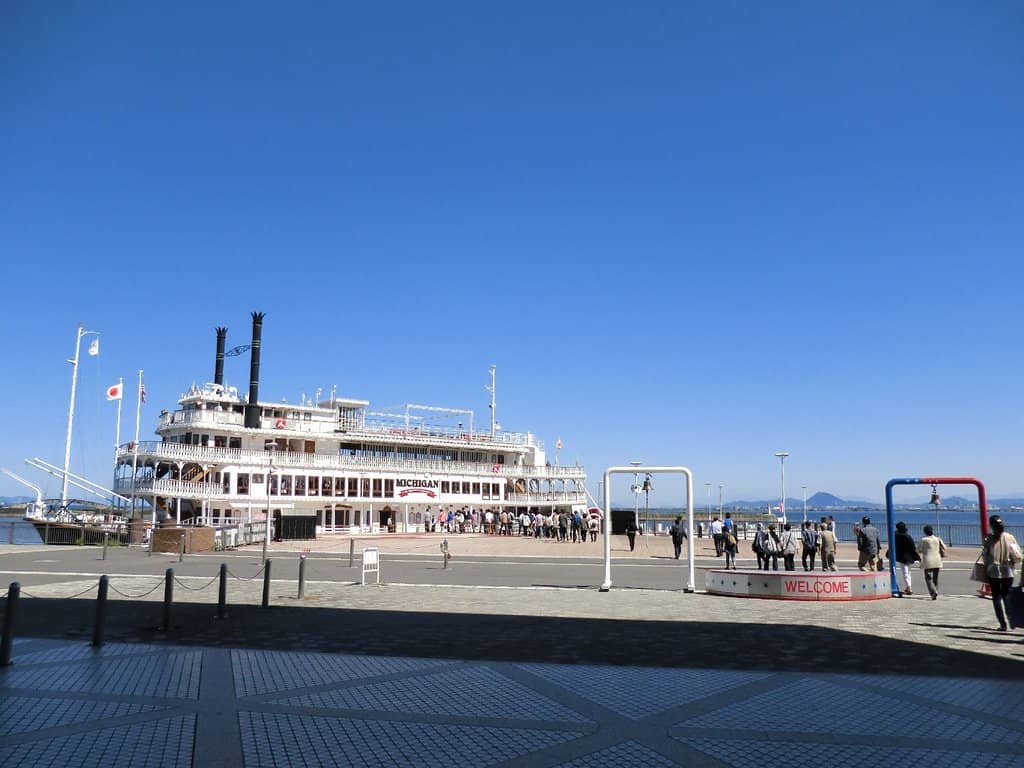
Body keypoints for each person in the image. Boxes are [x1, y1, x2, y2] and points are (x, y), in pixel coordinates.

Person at [981, 515, 1022, 631]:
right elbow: (1017, 553)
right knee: (1007, 596)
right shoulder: (1010, 537)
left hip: (993, 571)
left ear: (991, 526)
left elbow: (985, 555)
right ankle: (1012, 620)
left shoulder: (989, 539)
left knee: (996, 597)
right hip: (1008, 570)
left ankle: (1002, 623)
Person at [918, 524, 946, 600]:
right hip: (937, 560)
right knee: (935, 578)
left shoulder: (923, 540)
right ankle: (936, 590)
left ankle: (933, 592)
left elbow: (918, 550)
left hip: (928, 560)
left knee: (928, 578)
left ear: (925, 532)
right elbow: (944, 547)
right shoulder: (938, 538)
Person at [892, 521, 920, 595]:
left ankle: (909, 587)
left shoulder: (896, 535)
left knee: (905, 572)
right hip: (909, 556)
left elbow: (893, 544)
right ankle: (908, 587)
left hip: (901, 556)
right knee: (908, 572)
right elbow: (912, 546)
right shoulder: (907, 536)